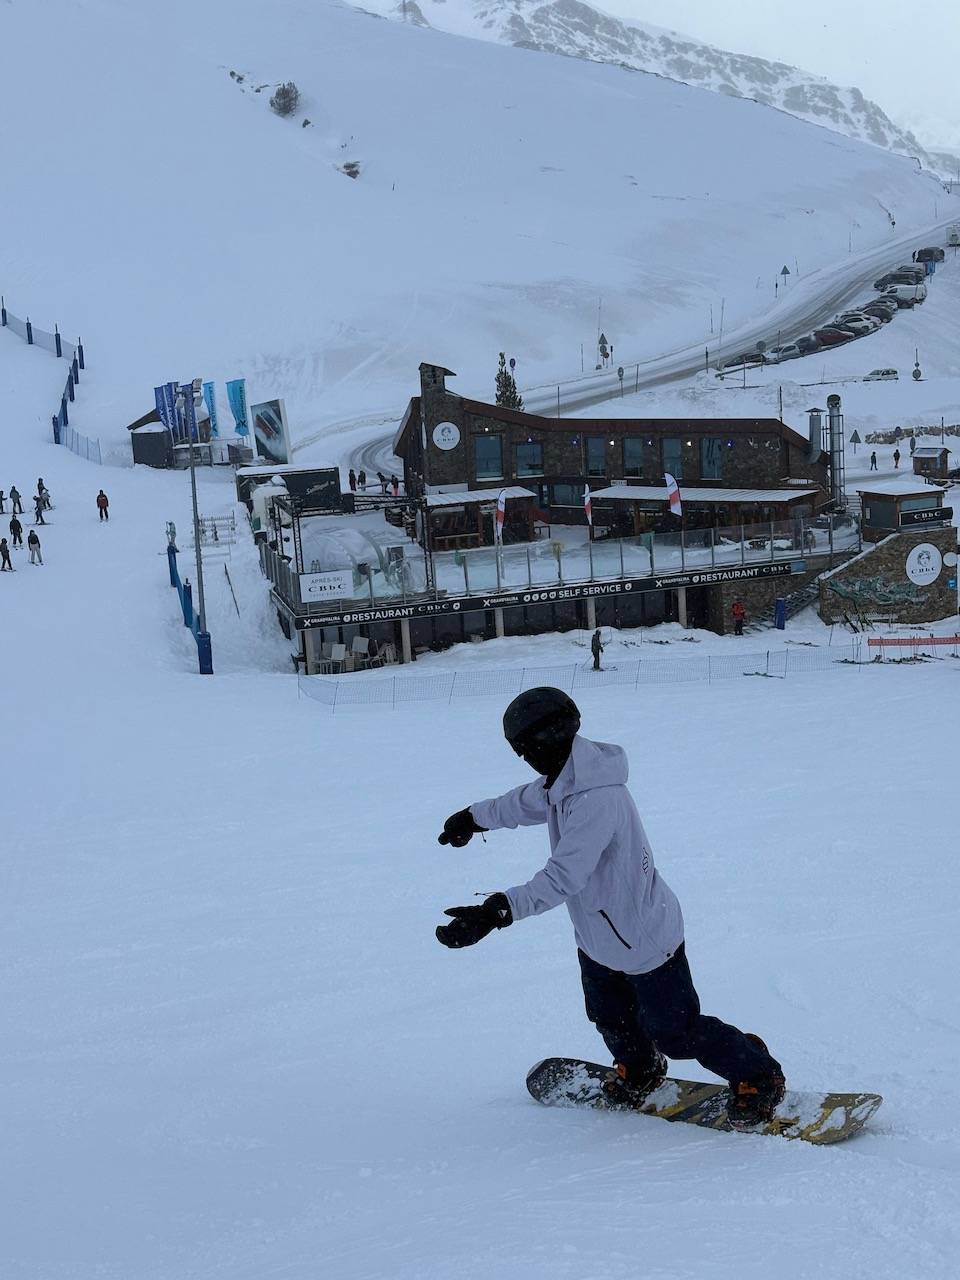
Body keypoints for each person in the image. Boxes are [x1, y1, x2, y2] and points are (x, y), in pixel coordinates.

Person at [435, 688, 785, 1128]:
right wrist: (474, 817)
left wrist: (495, 913)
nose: (524, 759)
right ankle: (641, 1068)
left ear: (545, 740)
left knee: (675, 1031)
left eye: (524, 750)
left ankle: (756, 1071)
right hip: (598, 937)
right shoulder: (565, 781)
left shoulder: (596, 799)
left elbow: (564, 877)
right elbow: (523, 802)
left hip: (644, 938)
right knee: (610, 1016)